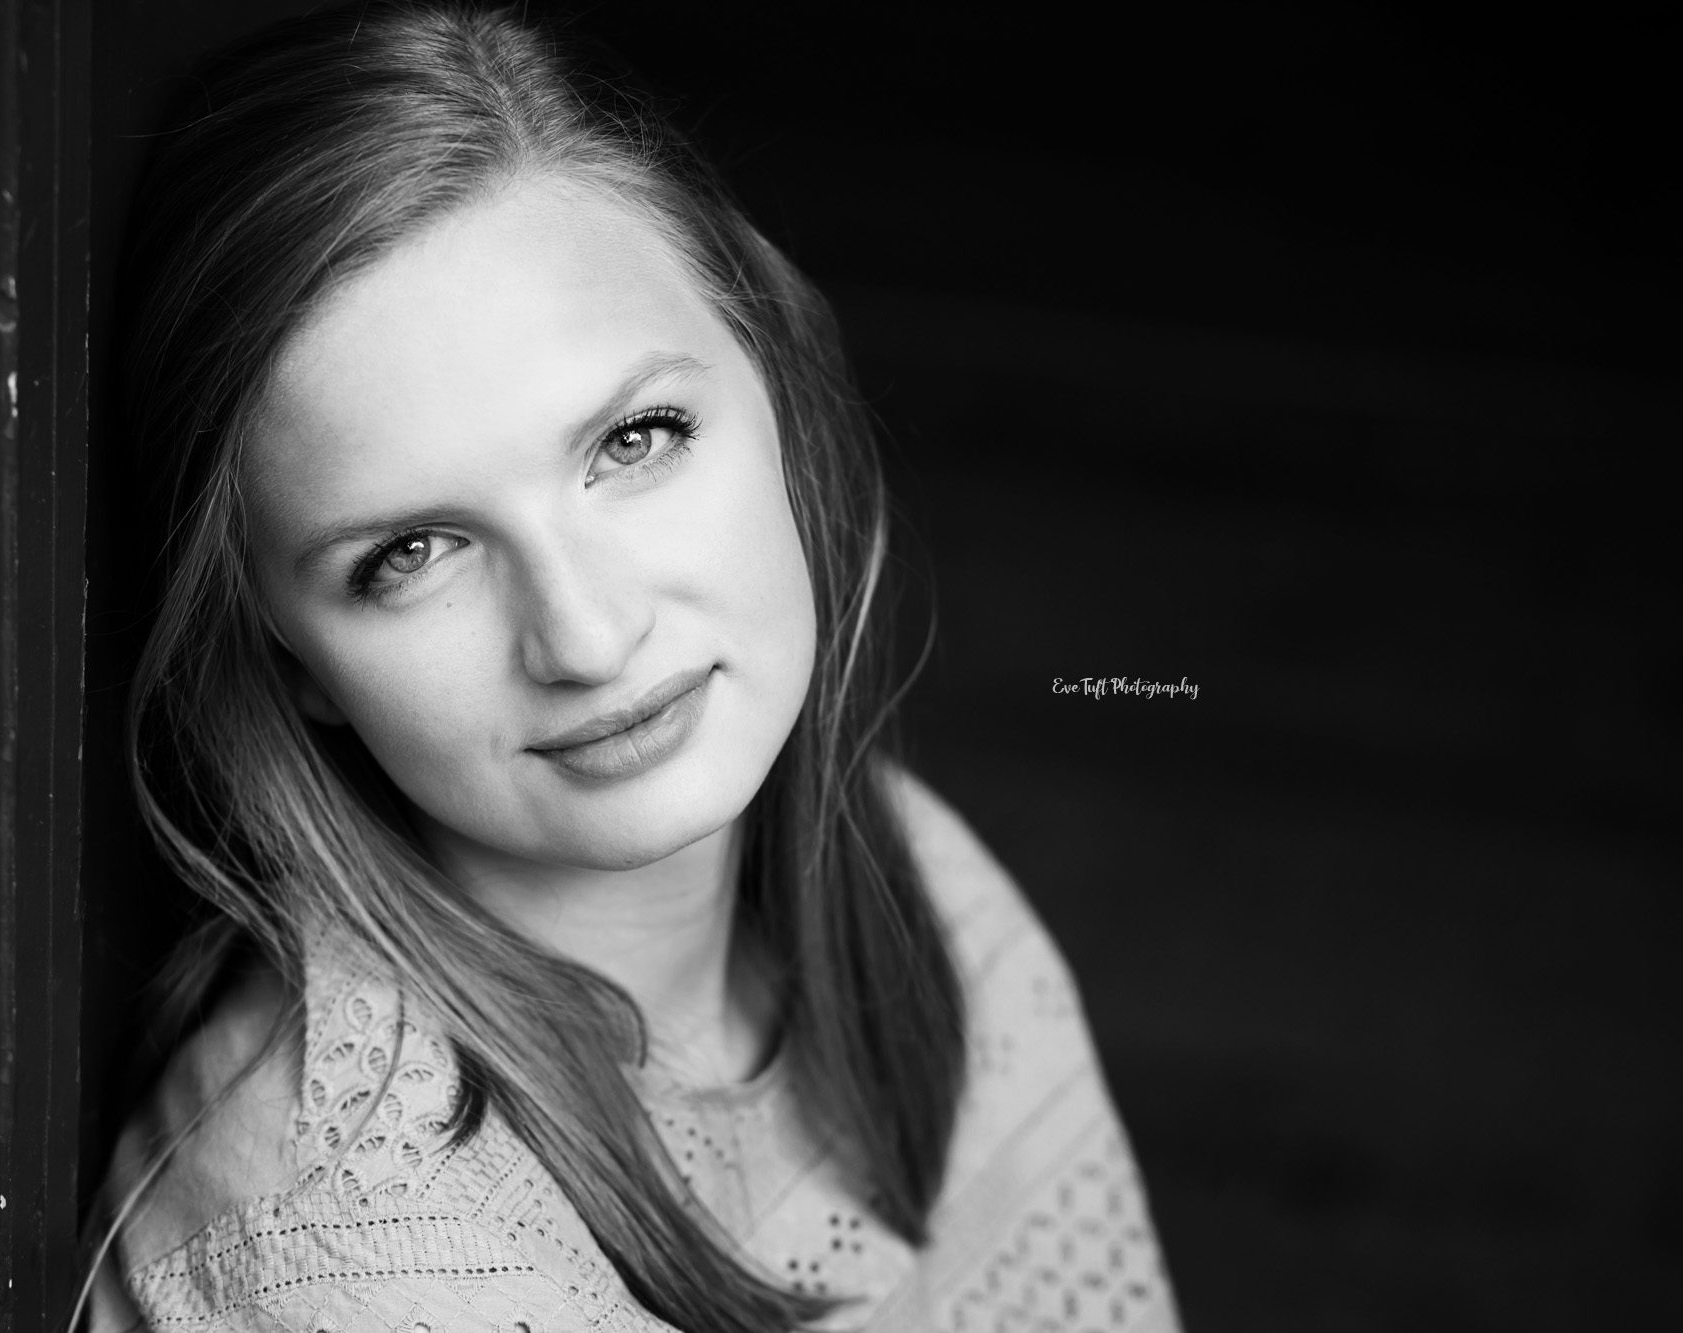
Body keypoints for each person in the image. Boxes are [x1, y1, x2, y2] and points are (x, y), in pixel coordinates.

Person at [80, 5, 1181, 1330]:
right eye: (412, 551)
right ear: (293, 659)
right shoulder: (354, 1252)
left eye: (636, 439)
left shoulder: (914, 886)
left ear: (778, 390)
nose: (588, 638)